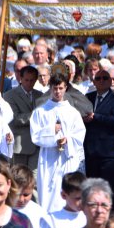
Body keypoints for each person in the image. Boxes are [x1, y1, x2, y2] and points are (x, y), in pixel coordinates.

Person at [30, 73, 86, 213]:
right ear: (50, 88)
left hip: (66, 158)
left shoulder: (73, 112)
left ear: (66, 88)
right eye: (55, 88)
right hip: (48, 158)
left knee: (64, 188)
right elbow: (35, 136)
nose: (58, 92)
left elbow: (79, 134)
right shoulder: (40, 111)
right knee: (48, 192)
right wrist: (51, 131)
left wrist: (67, 140)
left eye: (61, 88)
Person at [83, 69, 114, 212]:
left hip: (108, 151)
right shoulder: (87, 97)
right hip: (90, 150)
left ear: (110, 81)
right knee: (91, 186)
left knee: (107, 186)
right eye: (98, 78)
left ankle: (108, 214)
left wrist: (96, 117)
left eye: (105, 78)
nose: (101, 81)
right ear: (94, 81)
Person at [4, 65, 42, 171]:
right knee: (19, 179)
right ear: (20, 79)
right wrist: (37, 115)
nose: (29, 83)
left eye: (32, 80)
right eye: (26, 80)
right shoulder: (9, 96)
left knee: (34, 181)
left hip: (37, 144)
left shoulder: (40, 95)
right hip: (19, 146)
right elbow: (15, 118)